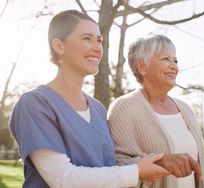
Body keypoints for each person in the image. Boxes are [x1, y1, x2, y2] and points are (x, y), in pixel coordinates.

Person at [8, 10, 170, 188]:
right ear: (59, 46)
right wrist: (136, 171)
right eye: (87, 38)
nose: (97, 47)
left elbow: (107, 168)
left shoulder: (98, 109)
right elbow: (62, 178)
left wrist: (156, 163)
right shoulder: (35, 103)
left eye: (99, 40)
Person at [108, 34, 204, 188]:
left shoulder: (185, 109)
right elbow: (115, 164)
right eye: (166, 59)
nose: (174, 66)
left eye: (175, 60)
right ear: (142, 67)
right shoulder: (124, 107)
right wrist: (161, 160)